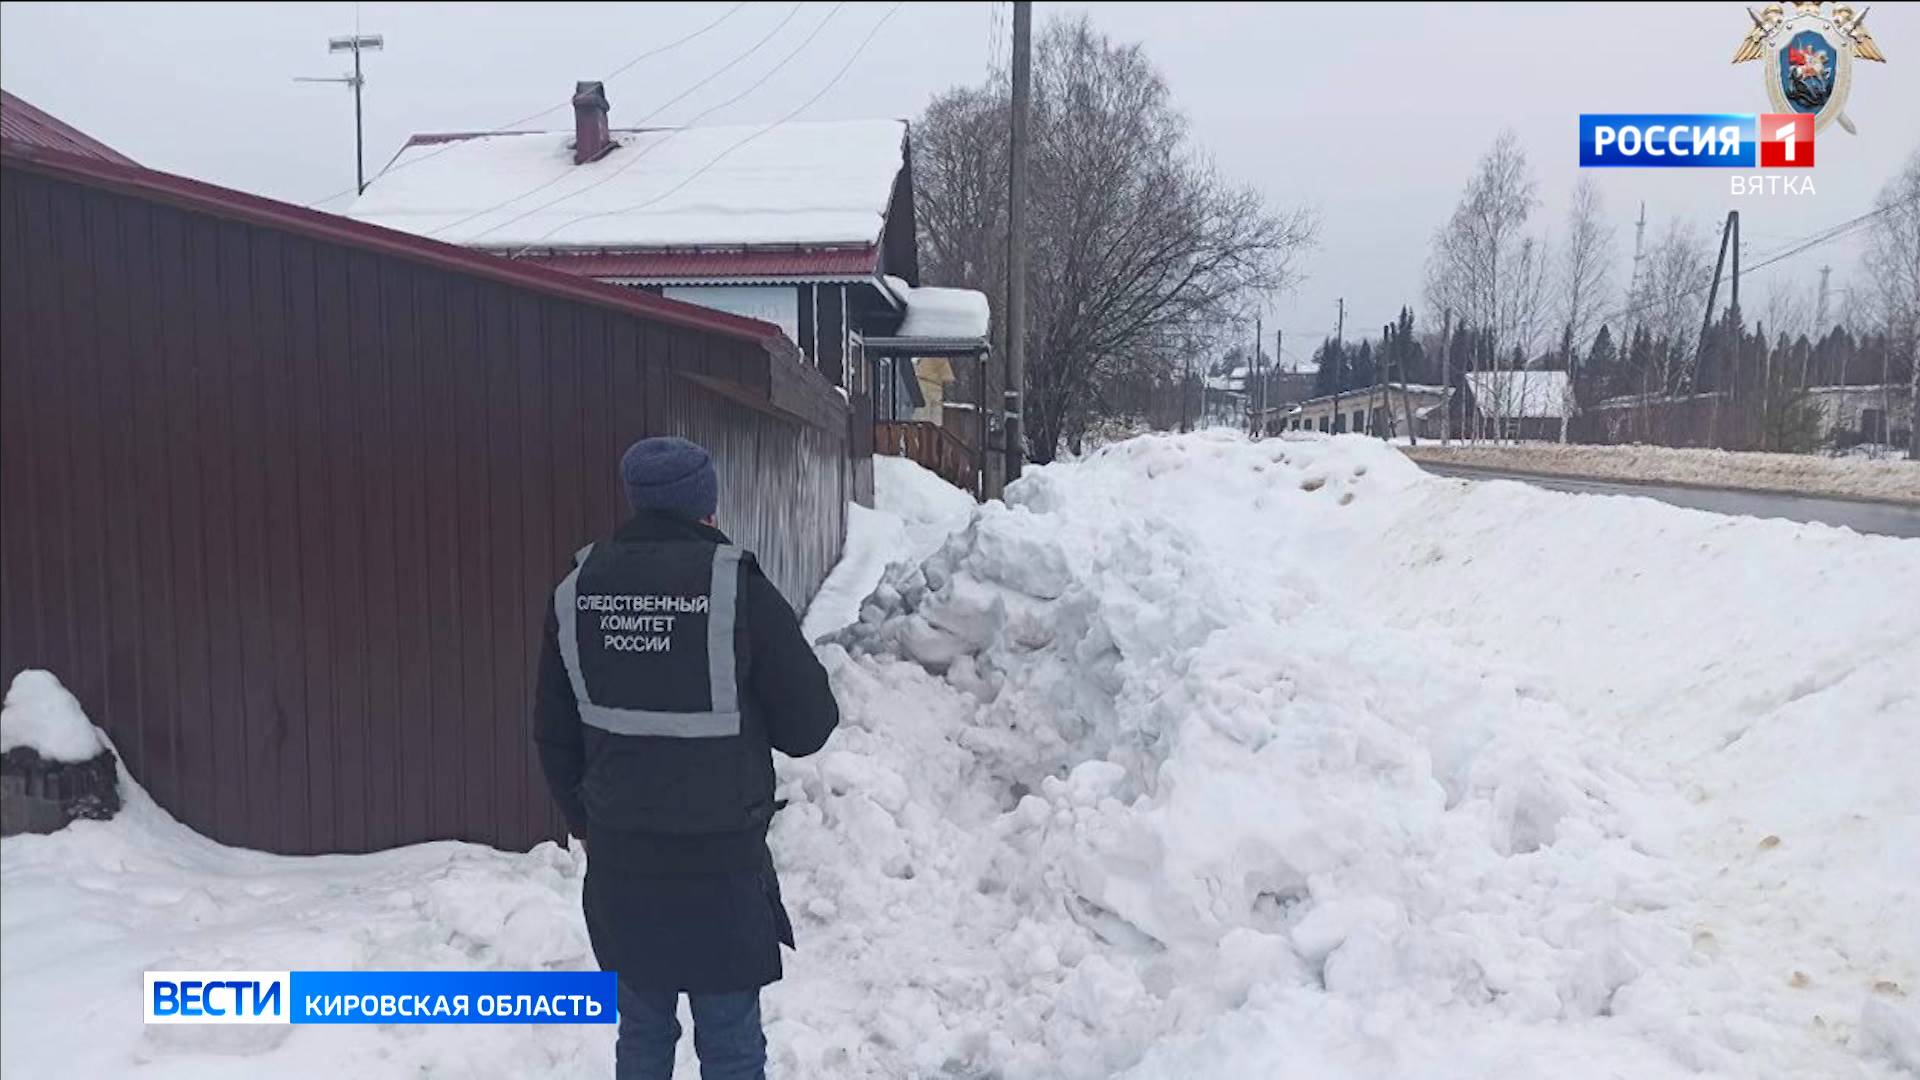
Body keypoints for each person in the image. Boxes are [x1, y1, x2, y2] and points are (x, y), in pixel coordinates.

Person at [534, 435, 839, 1080]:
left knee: (642, 1031)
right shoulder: (735, 585)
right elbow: (809, 725)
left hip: (621, 859)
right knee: (728, 1040)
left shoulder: (578, 589)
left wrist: (588, 822)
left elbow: (552, 732)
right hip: (720, 861)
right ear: (707, 504)